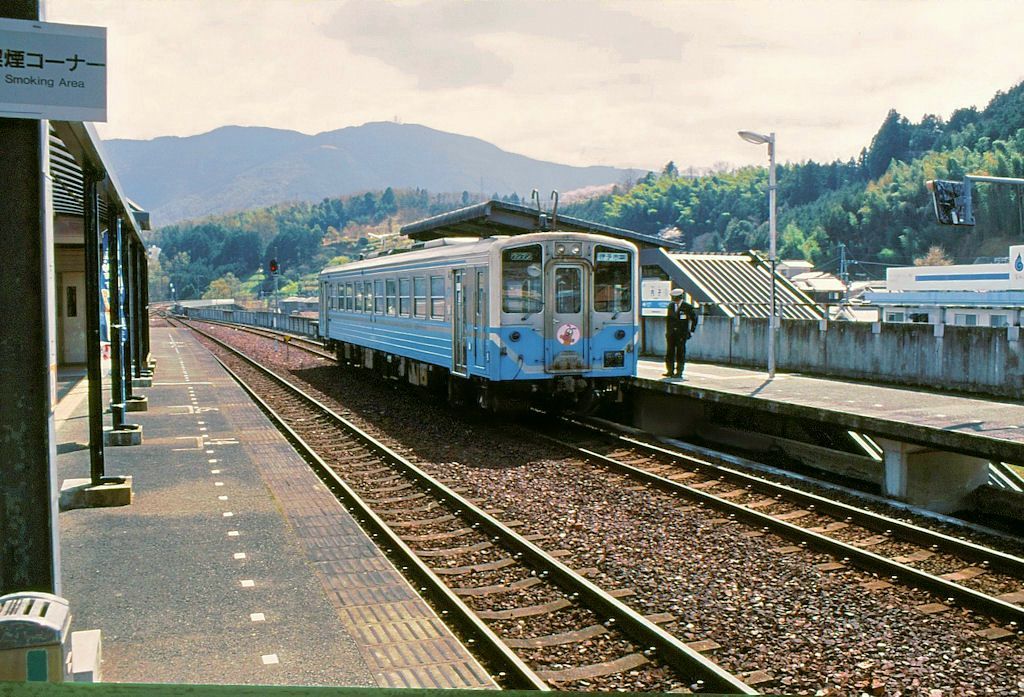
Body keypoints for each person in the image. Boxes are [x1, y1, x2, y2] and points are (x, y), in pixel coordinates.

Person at [664, 288, 698, 378]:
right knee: (669, 352)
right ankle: (670, 370)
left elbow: (694, 319)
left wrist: (691, 331)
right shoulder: (670, 306)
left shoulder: (687, 307)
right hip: (671, 333)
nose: (674, 300)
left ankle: (679, 372)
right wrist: (667, 332)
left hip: (681, 334)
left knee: (680, 352)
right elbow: (668, 320)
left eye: (676, 298)